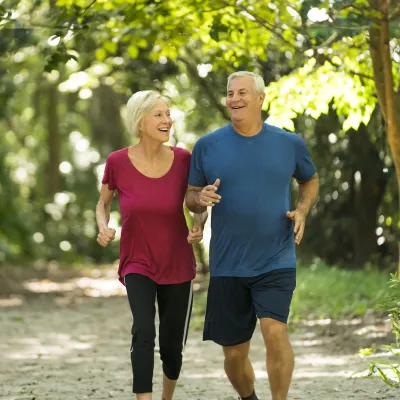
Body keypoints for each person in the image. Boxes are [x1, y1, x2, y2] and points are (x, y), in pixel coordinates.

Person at [186, 71, 319, 400]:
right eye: (230, 94)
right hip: (228, 262)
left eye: (242, 93)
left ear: (261, 98)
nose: (234, 99)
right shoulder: (207, 146)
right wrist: (198, 202)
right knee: (233, 355)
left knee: (275, 331)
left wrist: (301, 210)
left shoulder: (288, 143)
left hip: (276, 256)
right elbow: (191, 196)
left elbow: (310, 180)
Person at [95, 90, 207, 400]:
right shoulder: (117, 161)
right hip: (137, 261)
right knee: (143, 331)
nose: (167, 120)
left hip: (177, 262)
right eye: (158, 114)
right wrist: (103, 226)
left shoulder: (184, 159)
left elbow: (197, 202)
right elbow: (102, 203)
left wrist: (199, 225)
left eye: (168, 114)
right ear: (140, 121)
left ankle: (166, 397)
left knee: (172, 347)